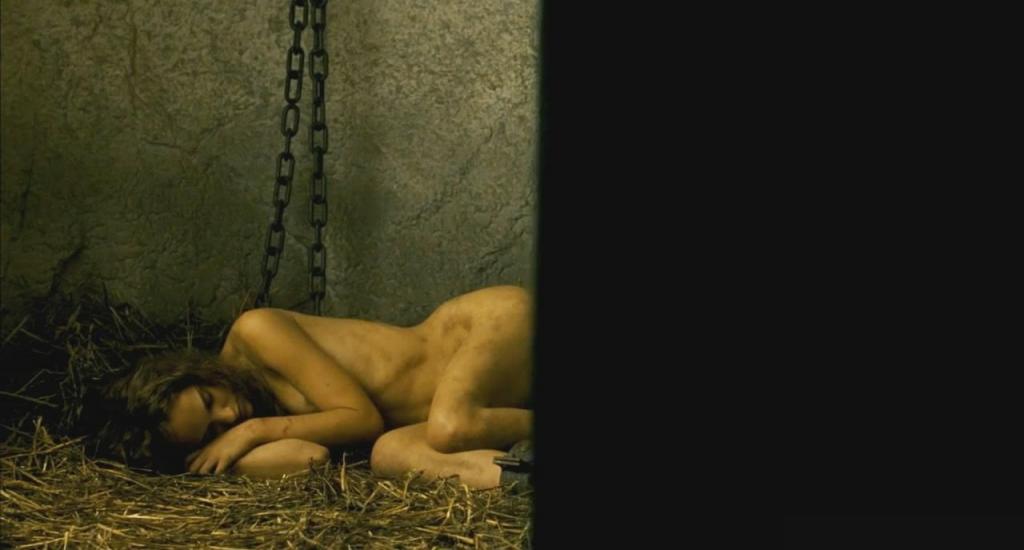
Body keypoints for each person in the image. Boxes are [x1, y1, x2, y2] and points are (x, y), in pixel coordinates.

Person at [98, 285, 533, 489]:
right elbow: (310, 457)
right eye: (213, 431)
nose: (230, 415)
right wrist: (215, 461)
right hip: (466, 411)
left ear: (194, 370)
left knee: (450, 426)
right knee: (389, 454)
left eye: (209, 400)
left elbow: (362, 419)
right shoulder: (252, 421)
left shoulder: (255, 332)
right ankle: (525, 481)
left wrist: (250, 433)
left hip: (483, 329)